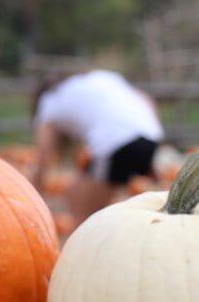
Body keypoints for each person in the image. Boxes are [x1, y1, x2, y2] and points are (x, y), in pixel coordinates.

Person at [32, 70, 163, 222]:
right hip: (150, 135)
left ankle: (87, 242)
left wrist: (33, 196)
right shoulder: (101, 77)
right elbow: (146, 99)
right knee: (84, 195)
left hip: (115, 143)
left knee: (80, 204)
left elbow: (43, 156)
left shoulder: (49, 101)